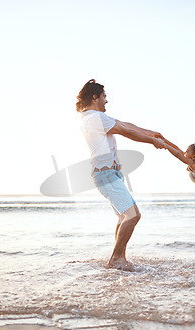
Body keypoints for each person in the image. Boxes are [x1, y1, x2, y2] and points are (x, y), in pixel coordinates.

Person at [76, 79, 166, 271]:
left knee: (123, 217)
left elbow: (125, 124)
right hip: (106, 174)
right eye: (104, 96)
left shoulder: (94, 118)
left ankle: (118, 258)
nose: (106, 101)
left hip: (110, 174)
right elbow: (125, 131)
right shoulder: (94, 118)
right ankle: (116, 258)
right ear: (95, 97)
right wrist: (151, 141)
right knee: (133, 215)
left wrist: (151, 133)